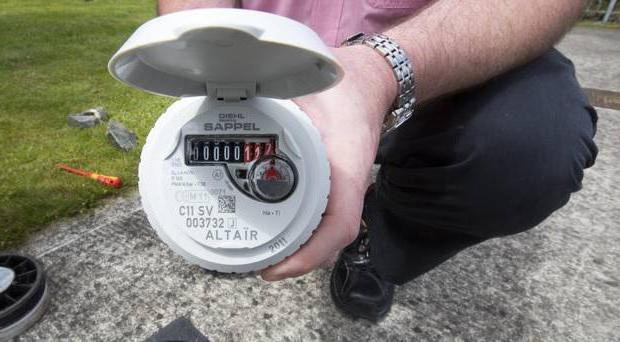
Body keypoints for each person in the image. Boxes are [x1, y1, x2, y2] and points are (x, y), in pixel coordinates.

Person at [157, 0, 598, 321]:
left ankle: (374, 233)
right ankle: (267, 228)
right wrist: (207, 55)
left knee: (527, 152)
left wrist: (379, 73)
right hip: (266, 72)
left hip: (437, 65)